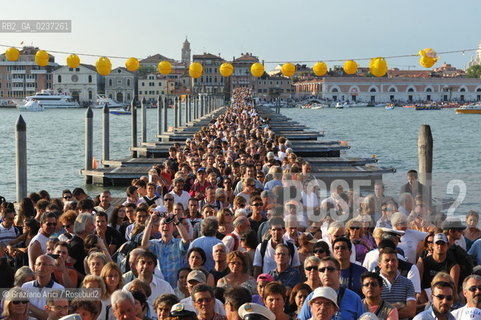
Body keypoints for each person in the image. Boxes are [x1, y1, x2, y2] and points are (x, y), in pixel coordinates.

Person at [298, 257, 365, 320]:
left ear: (339, 273)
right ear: (319, 274)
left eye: (330, 269)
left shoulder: (354, 298)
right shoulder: (312, 298)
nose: (326, 273)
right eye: (322, 270)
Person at [141, 211, 190, 288]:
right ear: (158, 228)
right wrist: (150, 221)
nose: (165, 226)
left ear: (173, 228)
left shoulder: (178, 243)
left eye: (168, 224)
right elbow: (144, 245)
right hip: (159, 286)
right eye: (163, 224)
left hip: (176, 287)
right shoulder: (155, 244)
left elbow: (186, 240)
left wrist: (176, 221)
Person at [123, 251, 174, 318]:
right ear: (136, 266)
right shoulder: (127, 288)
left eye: (149, 263)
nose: (145, 266)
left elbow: (174, 307)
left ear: (154, 267)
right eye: (142, 262)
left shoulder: (165, 287)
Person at [22, 255, 65, 320]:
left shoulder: (59, 289)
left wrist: (28, 305)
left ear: (52, 269)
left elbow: (51, 317)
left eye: (45, 264)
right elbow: (21, 313)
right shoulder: (25, 286)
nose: (41, 267)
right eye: (38, 264)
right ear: (34, 267)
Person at [378, 248, 416, 320]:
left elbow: (411, 312)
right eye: (387, 260)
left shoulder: (407, 283)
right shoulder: (374, 283)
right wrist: (399, 305)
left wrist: (383, 311)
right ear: (379, 264)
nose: (391, 263)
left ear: (397, 263)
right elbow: (372, 310)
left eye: (393, 260)